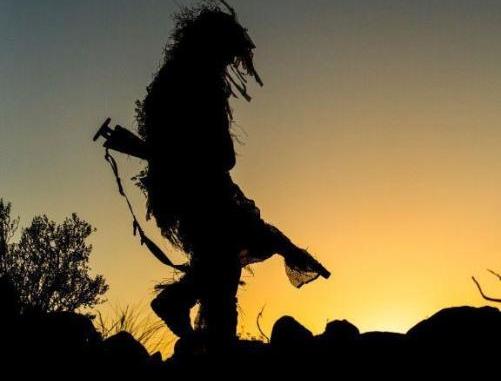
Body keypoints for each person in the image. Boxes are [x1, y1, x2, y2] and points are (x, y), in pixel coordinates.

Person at [102, 1, 330, 353]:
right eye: (226, 54)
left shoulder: (174, 82)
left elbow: (190, 150)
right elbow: (221, 155)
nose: (229, 64)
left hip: (186, 191)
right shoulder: (197, 84)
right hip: (200, 192)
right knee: (225, 266)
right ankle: (213, 343)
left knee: (223, 262)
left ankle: (197, 324)